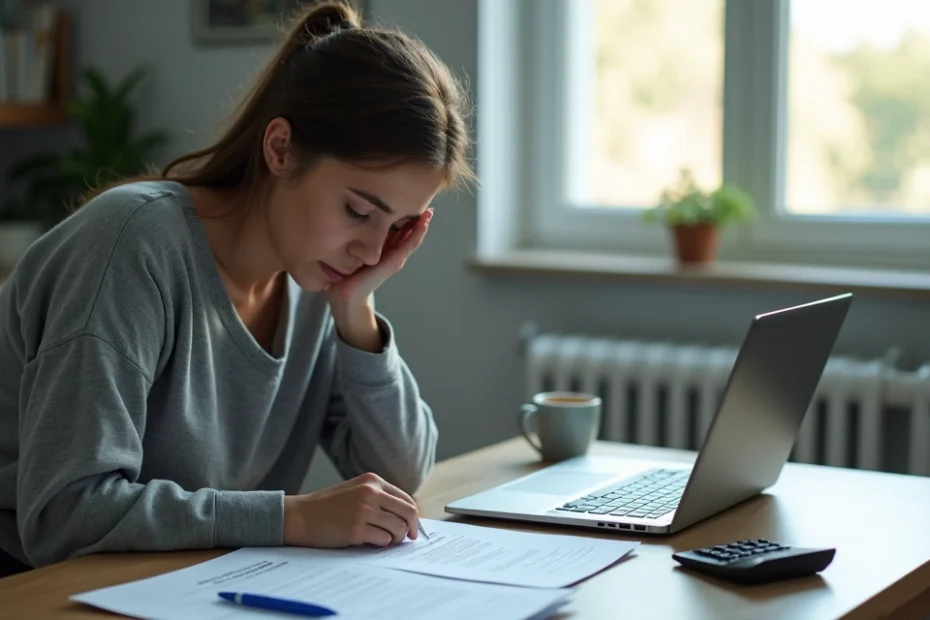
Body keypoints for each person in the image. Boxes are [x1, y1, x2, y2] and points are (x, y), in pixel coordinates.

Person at [0, 0, 473, 578]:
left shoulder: (318, 280)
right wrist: (291, 519)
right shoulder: (129, 246)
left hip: (182, 581)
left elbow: (399, 480)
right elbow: (64, 515)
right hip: (33, 584)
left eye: (397, 226)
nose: (373, 252)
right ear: (280, 149)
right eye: (357, 210)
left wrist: (357, 311)